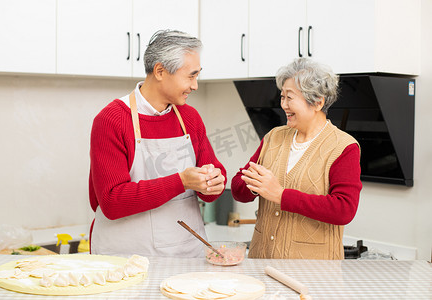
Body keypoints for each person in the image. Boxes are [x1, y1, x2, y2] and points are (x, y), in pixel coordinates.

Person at [89, 30, 226, 257]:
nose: (195, 85)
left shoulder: (190, 118)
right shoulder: (111, 120)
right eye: (190, 76)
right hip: (126, 259)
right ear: (160, 71)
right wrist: (181, 181)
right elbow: (112, 202)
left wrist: (214, 181)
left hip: (185, 254)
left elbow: (210, 185)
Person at [231, 58, 362, 260]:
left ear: (318, 102)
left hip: (313, 272)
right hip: (262, 262)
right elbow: (239, 188)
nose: (283, 105)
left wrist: (280, 195)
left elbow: (344, 209)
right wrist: (253, 185)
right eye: (282, 97)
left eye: (290, 98)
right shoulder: (273, 137)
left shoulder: (343, 147)